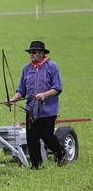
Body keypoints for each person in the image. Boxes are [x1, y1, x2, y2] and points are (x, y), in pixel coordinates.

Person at [8, 41, 66, 169]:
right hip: (31, 111)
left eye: (33, 52)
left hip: (48, 110)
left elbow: (57, 88)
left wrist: (45, 95)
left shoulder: (52, 66)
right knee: (32, 138)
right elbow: (21, 90)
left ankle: (60, 152)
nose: (31, 54)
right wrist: (13, 99)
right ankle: (36, 165)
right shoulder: (26, 68)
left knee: (47, 137)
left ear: (42, 53)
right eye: (30, 52)